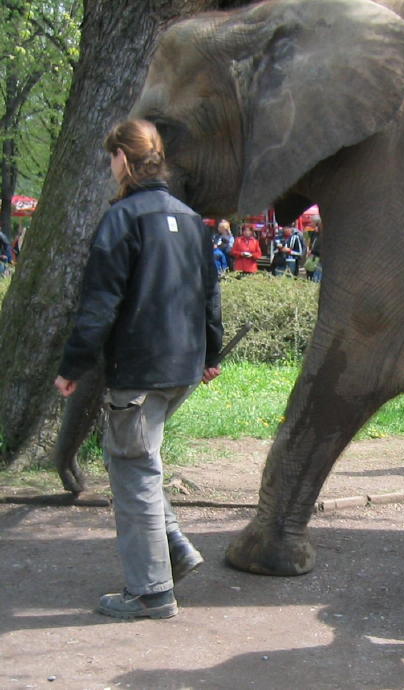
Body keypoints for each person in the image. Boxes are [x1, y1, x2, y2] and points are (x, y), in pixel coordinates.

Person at [54, 119, 224, 620]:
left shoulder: (121, 219)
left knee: (133, 470)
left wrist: (73, 366)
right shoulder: (192, 220)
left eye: (112, 159)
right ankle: (173, 549)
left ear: (124, 160)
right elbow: (210, 296)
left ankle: (150, 593)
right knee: (136, 463)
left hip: (140, 370)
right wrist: (211, 355)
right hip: (184, 367)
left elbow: (99, 304)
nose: (111, 168)